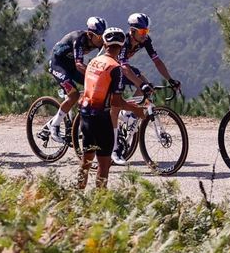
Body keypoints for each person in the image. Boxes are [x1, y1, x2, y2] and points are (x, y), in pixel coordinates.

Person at [76, 26, 150, 191]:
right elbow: (116, 101)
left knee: (86, 162)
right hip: (101, 120)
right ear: (122, 44)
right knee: (104, 164)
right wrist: (135, 109)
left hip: (85, 116)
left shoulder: (94, 62)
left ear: (104, 42)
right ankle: (101, 202)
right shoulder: (116, 68)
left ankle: (77, 195)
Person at [114, 12, 180, 164]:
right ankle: (124, 114)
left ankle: (128, 114)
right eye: (143, 32)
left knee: (147, 87)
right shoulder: (123, 41)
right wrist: (139, 84)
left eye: (147, 31)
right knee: (139, 84)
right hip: (112, 69)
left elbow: (157, 61)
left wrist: (170, 79)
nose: (145, 35)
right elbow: (123, 68)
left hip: (123, 67)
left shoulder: (145, 41)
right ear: (132, 31)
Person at [44, 18, 108, 140]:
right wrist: (95, 75)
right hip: (58, 64)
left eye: (103, 37)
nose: (102, 40)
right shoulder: (78, 38)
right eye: (99, 37)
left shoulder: (99, 41)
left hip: (71, 65)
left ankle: (77, 120)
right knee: (73, 95)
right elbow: (79, 65)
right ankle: (54, 125)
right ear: (90, 34)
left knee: (95, 89)